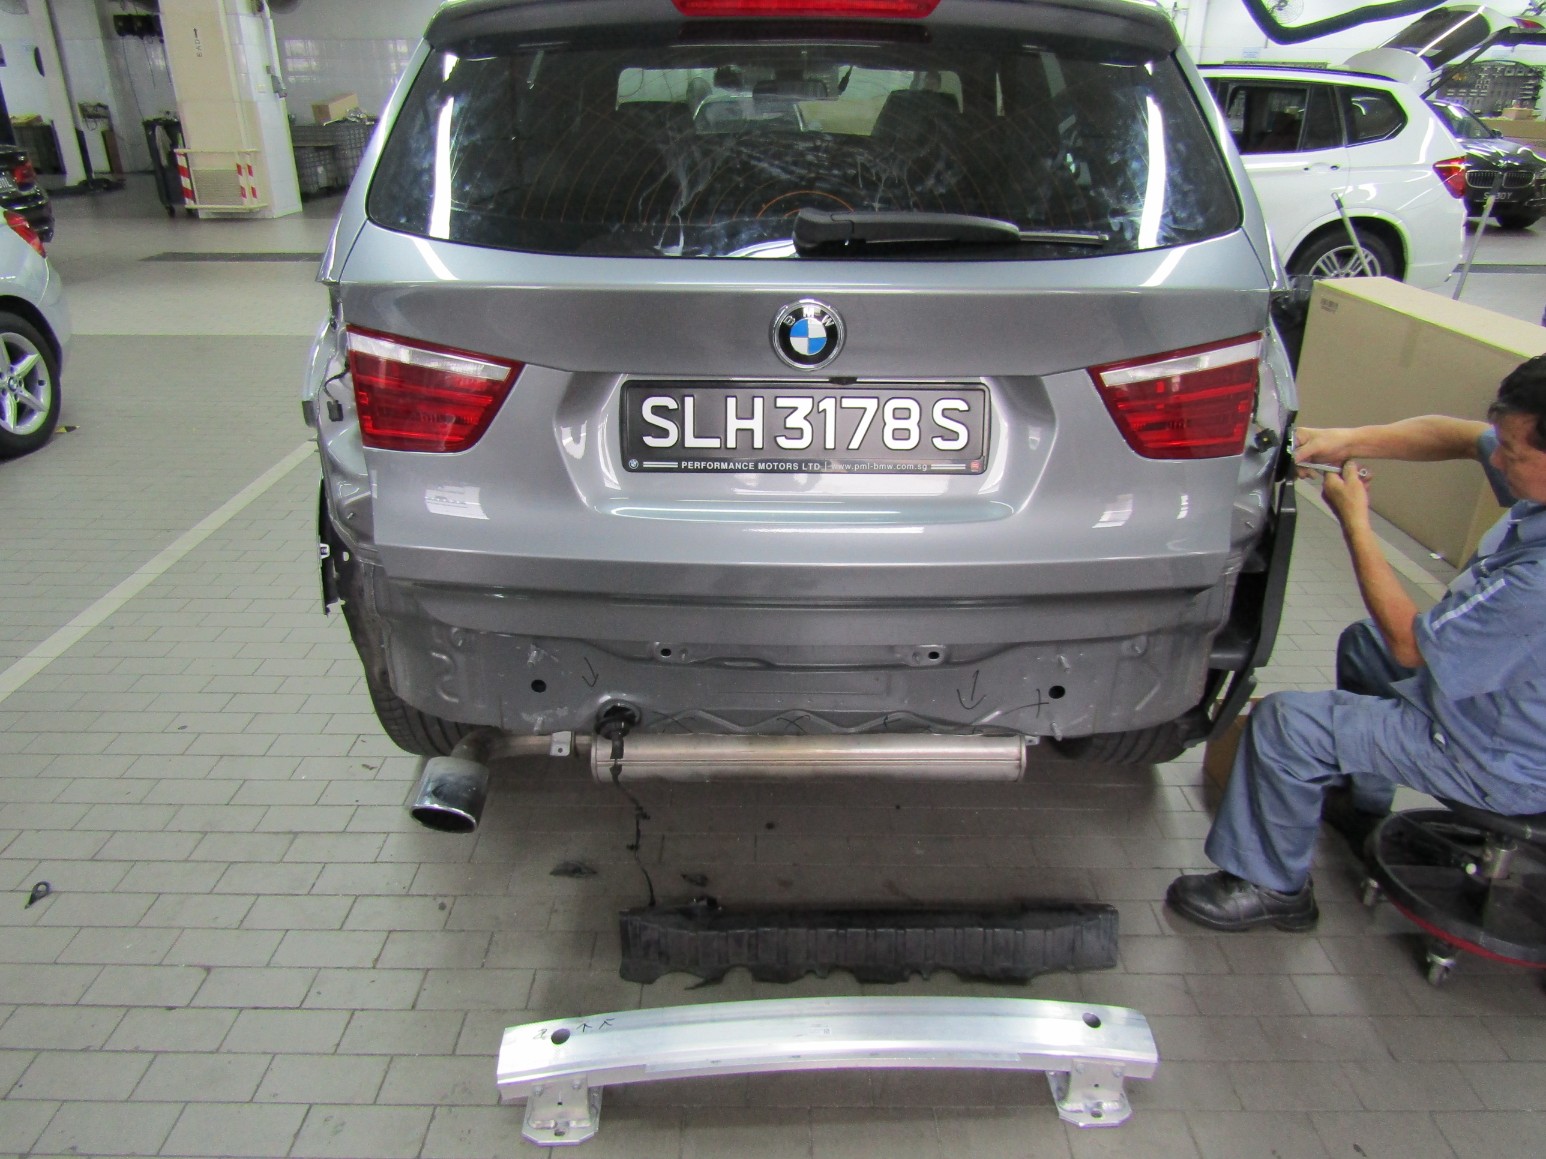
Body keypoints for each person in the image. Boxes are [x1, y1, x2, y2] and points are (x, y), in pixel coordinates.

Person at [1166, 354, 1546, 932]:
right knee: (1364, 645)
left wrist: (1354, 521)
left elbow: (1410, 646)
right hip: (1510, 703)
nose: (1499, 458)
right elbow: (1464, 436)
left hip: (1500, 755)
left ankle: (1271, 887)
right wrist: (1345, 440)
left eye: (1513, 454)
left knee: (1287, 725)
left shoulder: (1538, 584)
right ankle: (1361, 802)